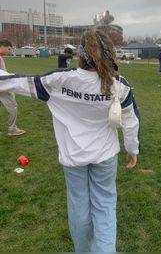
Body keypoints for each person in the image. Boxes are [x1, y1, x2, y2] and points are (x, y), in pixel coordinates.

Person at [0, 29, 140, 252]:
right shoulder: (119, 84)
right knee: (104, 206)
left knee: (78, 206)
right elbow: (131, 119)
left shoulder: (60, 80)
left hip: (73, 157)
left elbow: (13, 82)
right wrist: (132, 148)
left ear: (80, 55)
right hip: (105, 157)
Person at [0, 39, 26, 136]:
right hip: (3, 87)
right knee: (13, 107)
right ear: (2, 46)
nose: (9, 51)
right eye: (9, 49)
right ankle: (12, 129)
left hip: (3, 86)